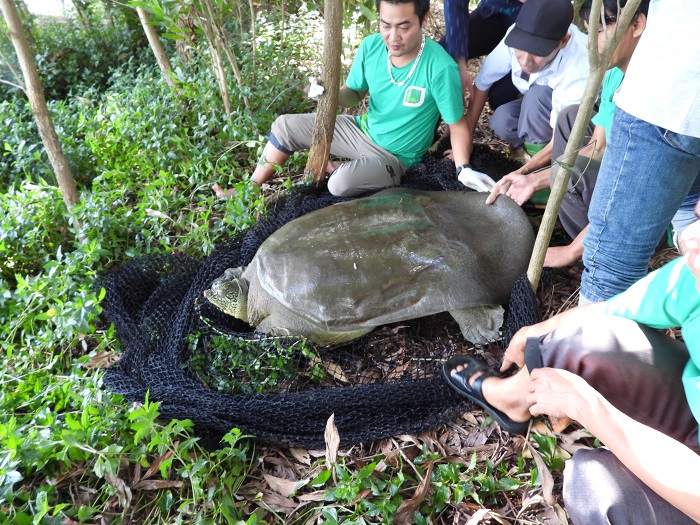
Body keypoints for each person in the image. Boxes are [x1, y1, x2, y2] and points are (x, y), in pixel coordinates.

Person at [441, 198, 700, 523]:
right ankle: (512, 401)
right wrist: (537, 332)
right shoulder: (694, 272)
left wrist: (586, 406)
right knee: (582, 336)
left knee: (594, 486)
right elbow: (612, 309)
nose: (689, 238)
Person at [213, 0, 473, 198]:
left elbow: (457, 123)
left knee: (339, 184)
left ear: (423, 19)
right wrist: (329, 93)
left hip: (395, 157)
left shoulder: (440, 67)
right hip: (361, 131)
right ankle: (248, 191)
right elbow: (354, 94)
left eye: (404, 27)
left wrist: (464, 169)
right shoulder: (371, 47)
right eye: (386, 25)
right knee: (284, 125)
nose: (393, 37)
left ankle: (344, 169)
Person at [485, 0, 650, 267]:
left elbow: (636, 182)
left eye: (598, 31)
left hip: (646, 211)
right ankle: (568, 216)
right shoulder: (614, 75)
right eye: (587, 30)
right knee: (569, 118)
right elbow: (598, 144)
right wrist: (525, 174)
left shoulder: (651, 86)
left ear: (637, 24)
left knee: (573, 171)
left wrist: (570, 250)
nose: (588, 44)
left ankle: (593, 251)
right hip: (619, 174)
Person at [580, 0, 700, 304]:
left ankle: (588, 349)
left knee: (609, 266)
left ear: (637, 24)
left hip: (667, 96)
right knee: (690, 212)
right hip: (679, 100)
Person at [457, 0, 589, 185]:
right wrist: (465, 140)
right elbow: (483, 83)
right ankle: (529, 152)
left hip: (579, 126)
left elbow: (560, 139)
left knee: (537, 97)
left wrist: (522, 175)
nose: (525, 61)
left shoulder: (579, 66)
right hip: (538, 111)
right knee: (501, 120)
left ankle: (546, 175)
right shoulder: (515, 34)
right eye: (520, 49)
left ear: (564, 41)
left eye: (537, 52)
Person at [441, 0, 524, 105]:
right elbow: (455, 4)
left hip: (531, 21)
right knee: (442, 60)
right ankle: (425, 119)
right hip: (491, 11)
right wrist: (459, 64)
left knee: (500, 95)